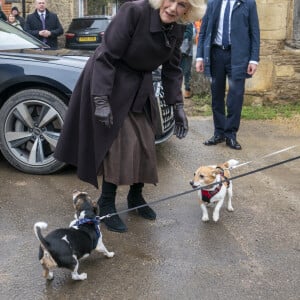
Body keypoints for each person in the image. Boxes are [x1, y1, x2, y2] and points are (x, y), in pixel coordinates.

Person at [54, 0, 203, 233]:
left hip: (139, 85)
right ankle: (106, 203)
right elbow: (106, 56)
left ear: (189, 10)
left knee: (146, 141)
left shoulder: (177, 27)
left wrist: (178, 106)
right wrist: (101, 100)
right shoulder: (134, 11)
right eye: (169, 0)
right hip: (110, 80)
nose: (173, 8)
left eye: (182, 4)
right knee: (121, 143)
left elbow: (172, 69)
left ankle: (135, 197)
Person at [195, 0, 260, 150]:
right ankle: (219, 133)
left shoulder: (248, 3)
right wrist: (200, 57)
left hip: (238, 56)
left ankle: (231, 135)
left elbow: (254, 32)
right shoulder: (212, 3)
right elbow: (203, 31)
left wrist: (254, 59)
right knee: (216, 95)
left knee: (235, 97)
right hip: (216, 54)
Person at [180, 22, 194, 98]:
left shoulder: (188, 22)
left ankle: (187, 90)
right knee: (176, 71)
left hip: (187, 51)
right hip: (176, 50)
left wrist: (178, 35)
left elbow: (189, 34)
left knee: (187, 72)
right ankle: (176, 90)